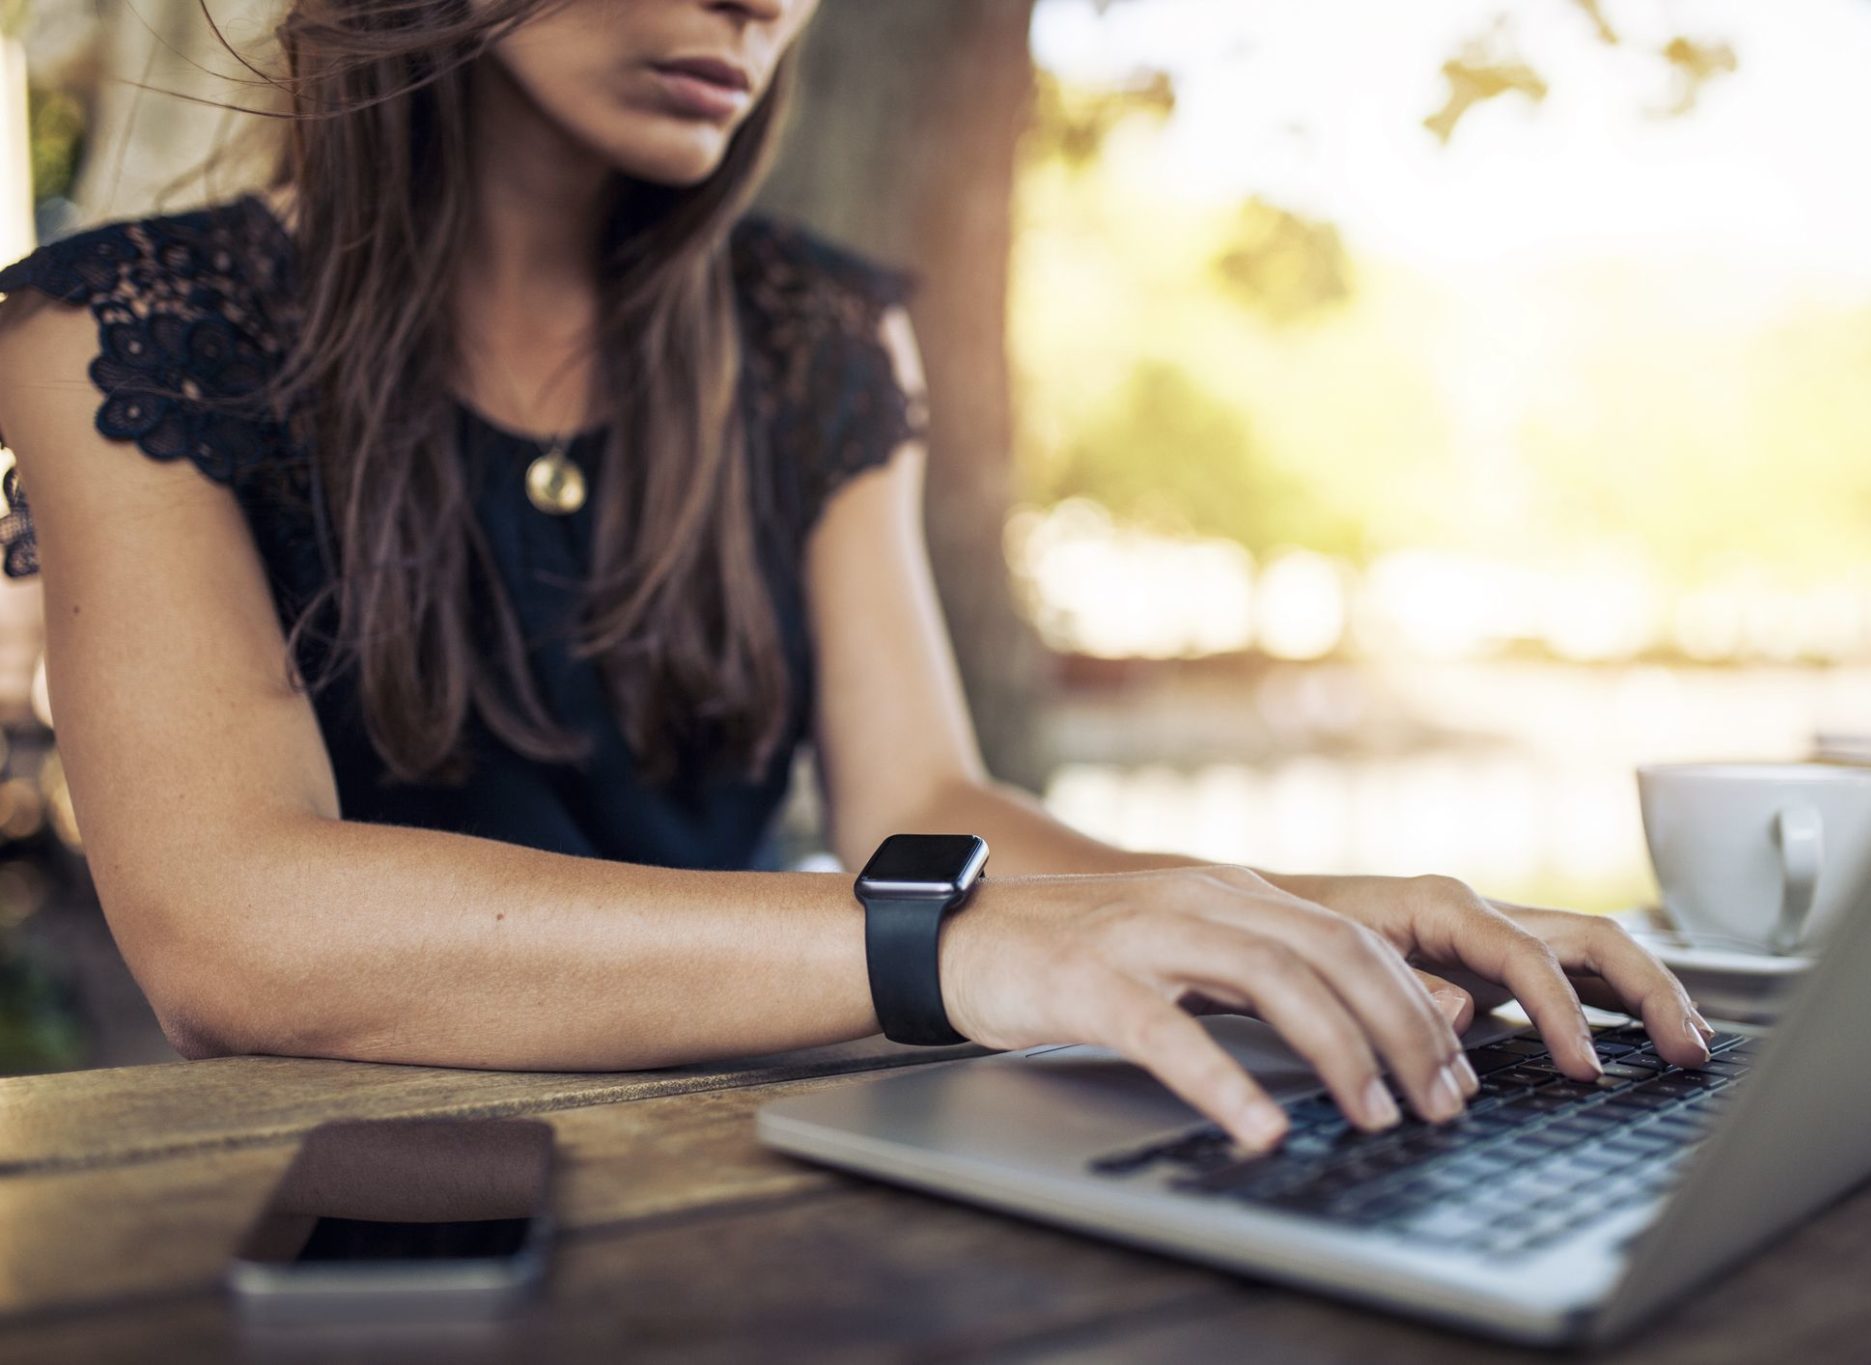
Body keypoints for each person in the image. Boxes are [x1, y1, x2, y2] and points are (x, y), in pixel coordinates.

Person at [0, 0, 1708, 1151]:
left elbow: (925, 801)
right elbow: (232, 923)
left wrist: (1293, 914)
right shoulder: (123, 326)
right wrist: (946, 950)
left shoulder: (820, 334)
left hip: (751, 1157)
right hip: (344, 1212)